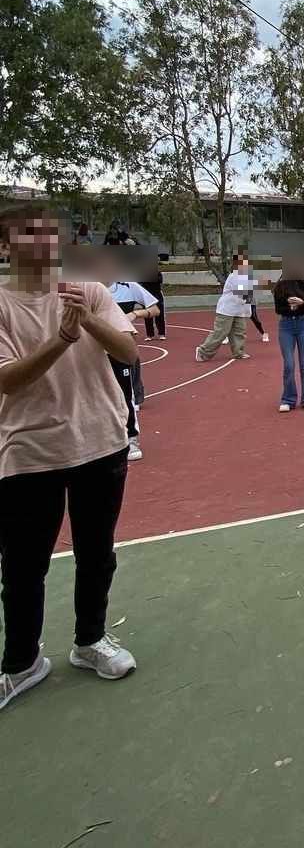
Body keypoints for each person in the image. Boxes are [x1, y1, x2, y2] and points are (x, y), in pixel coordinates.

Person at [0, 206, 139, 712]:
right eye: (28, 235)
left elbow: (129, 354)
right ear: (6, 246)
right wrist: (61, 338)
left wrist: (89, 324)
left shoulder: (90, 291)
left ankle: (90, 641)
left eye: (48, 234)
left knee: (97, 552)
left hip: (100, 441)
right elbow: (7, 379)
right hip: (30, 450)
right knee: (22, 565)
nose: (43, 243)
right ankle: (20, 663)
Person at [105, 270, 159, 462]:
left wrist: (134, 314)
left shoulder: (129, 287)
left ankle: (131, 438)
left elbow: (155, 309)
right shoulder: (84, 288)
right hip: (91, 351)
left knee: (126, 394)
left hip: (120, 348)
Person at [273, 268, 304, 412]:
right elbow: (278, 309)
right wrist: (289, 306)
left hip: (303, 324)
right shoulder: (280, 287)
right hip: (286, 325)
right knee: (288, 364)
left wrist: (302, 302)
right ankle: (288, 399)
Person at [195, 255, 255, 362]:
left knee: (240, 332)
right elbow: (243, 294)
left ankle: (238, 352)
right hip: (227, 310)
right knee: (221, 332)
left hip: (239, 311)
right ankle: (203, 351)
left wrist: (248, 311)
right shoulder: (234, 276)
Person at [141, 263, 166, 342]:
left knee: (160, 315)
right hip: (146, 297)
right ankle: (149, 335)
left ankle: (161, 334)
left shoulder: (158, 273)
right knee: (148, 316)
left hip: (157, 296)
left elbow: (159, 280)